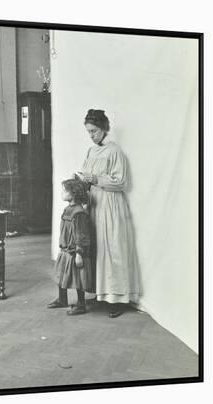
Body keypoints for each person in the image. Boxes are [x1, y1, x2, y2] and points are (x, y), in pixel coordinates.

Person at [76, 109, 140, 318]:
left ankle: (117, 299)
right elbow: (87, 175)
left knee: (112, 248)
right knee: (97, 248)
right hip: (95, 203)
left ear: (104, 128)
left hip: (111, 204)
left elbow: (121, 182)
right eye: (89, 132)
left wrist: (94, 179)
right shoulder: (90, 151)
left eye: (94, 131)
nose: (92, 135)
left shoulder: (115, 152)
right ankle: (101, 292)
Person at [48, 179, 94, 315]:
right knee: (61, 275)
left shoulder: (78, 213)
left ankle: (81, 304)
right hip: (65, 251)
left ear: (74, 193)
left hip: (75, 252)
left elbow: (82, 235)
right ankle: (62, 299)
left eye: (65, 191)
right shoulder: (68, 209)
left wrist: (80, 253)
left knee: (78, 279)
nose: (62, 193)